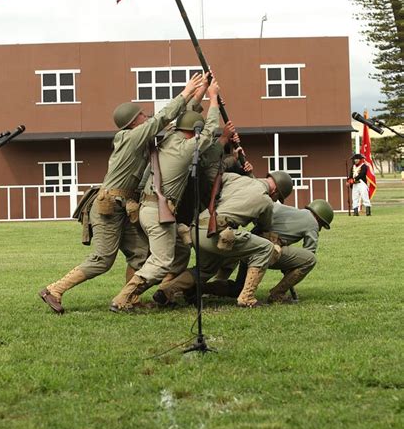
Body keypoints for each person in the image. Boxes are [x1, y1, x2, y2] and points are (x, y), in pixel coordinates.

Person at [38, 72, 205, 314]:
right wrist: (186, 91)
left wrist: (199, 94)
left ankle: (130, 299)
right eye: (142, 116)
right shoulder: (130, 137)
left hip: (123, 206)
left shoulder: (139, 137)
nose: (146, 117)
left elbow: (177, 120)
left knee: (139, 254)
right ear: (133, 122)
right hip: (108, 207)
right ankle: (54, 290)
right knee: (103, 259)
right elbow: (162, 118)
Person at [110, 76, 221, 312]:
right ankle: (124, 297)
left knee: (181, 250)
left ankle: (165, 292)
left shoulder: (169, 137)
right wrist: (214, 101)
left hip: (148, 209)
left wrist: (200, 92)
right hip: (158, 212)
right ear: (192, 133)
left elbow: (185, 116)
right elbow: (209, 132)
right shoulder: (185, 148)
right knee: (161, 262)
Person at [152, 169, 294, 308]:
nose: (276, 200)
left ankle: (165, 291)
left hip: (197, 228)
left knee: (204, 270)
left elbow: (217, 176)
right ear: (275, 191)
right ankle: (247, 297)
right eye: (278, 197)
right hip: (216, 234)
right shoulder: (266, 201)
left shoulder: (236, 178)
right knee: (266, 247)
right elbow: (264, 227)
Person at [207, 198, 334, 303]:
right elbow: (309, 254)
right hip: (266, 250)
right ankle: (277, 294)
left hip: (250, 245)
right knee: (310, 261)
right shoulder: (313, 223)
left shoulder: (287, 209)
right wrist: (291, 266)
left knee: (238, 288)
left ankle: (201, 288)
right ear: (319, 220)